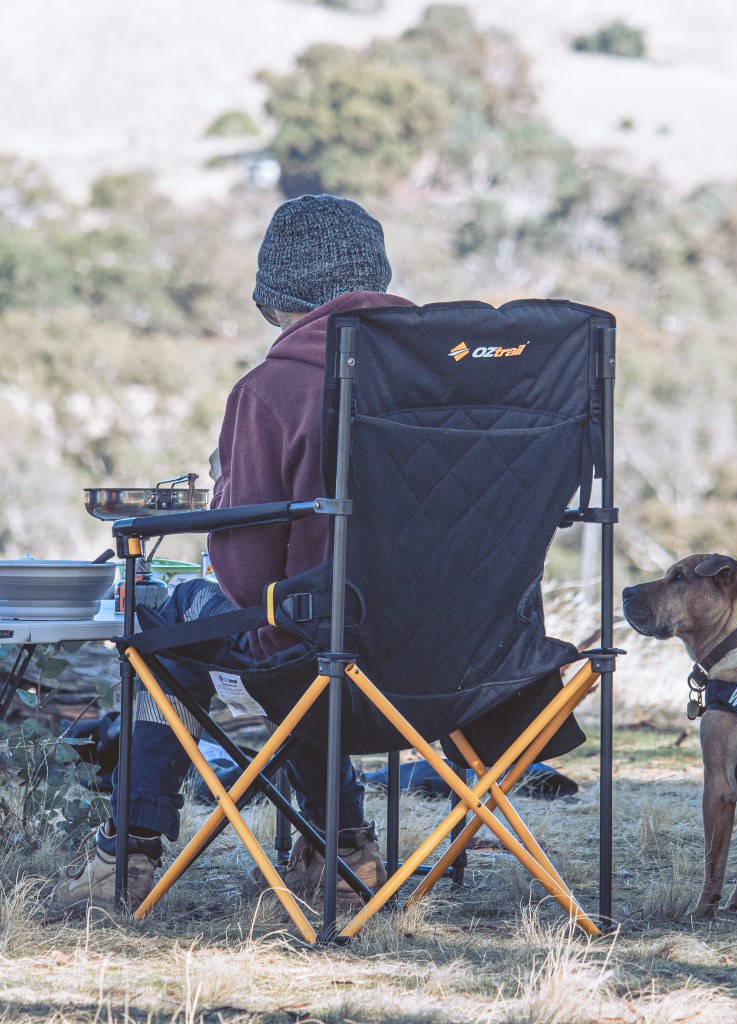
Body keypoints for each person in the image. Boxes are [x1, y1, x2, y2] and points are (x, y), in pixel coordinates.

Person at [48, 195, 414, 916]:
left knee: (179, 617)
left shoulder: (272, 389)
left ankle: (126, 858)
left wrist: (229, 494)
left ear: (275, 298)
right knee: (312, 631)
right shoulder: (453, 378)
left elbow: (247, 580)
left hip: (322, 655)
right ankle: (341, 850)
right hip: (461, 665)